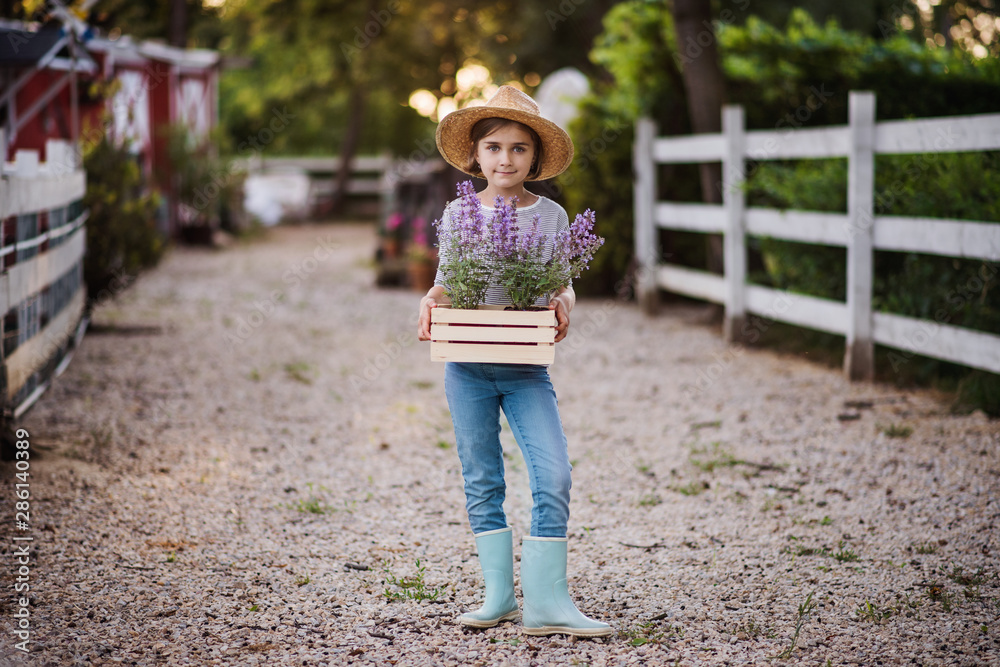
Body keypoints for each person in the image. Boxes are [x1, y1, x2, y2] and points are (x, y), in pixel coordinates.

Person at [416, 85, 612, 638]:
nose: (506, 158)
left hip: (526, 365)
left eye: (519, 148)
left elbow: (561, 285)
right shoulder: (459, 213)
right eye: (495, 147)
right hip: (468, 366)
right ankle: (498, 595)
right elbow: (447, 285)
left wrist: (562, 303)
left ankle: (548, 603)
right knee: (483, 478)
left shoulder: (550, 215)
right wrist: (431, 302)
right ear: (476, 155)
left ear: (535, 158)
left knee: (553, 474)